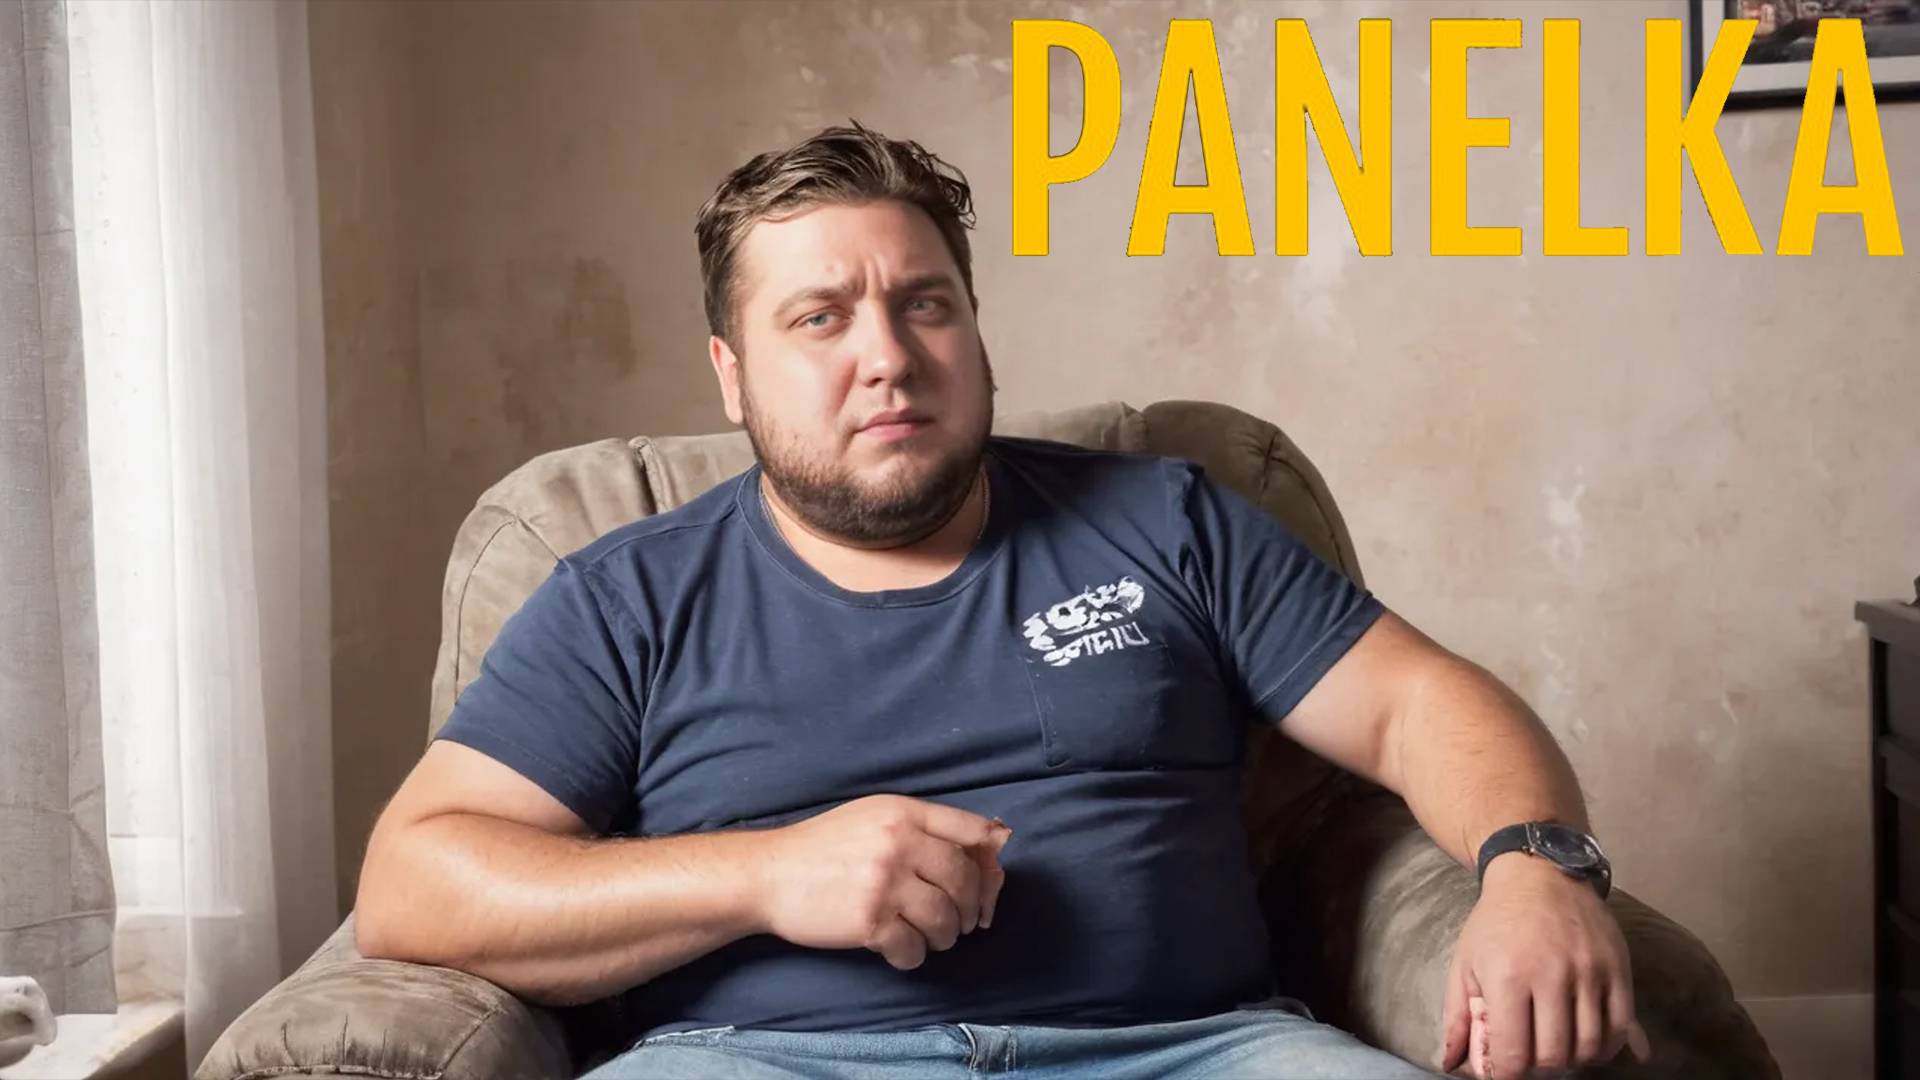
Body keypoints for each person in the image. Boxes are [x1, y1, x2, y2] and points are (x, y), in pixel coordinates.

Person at [354, 123, 1650, 1080]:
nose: (888, 356)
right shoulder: (626, 594)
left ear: (975, 332)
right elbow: (416, 882)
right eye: (819, 318)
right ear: (732, 374)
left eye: (924, 304)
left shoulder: (1167, 519)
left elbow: (1422, 707)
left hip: (1196, 1051)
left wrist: (1535, 869)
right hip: (761, 1061)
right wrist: (766, 875)